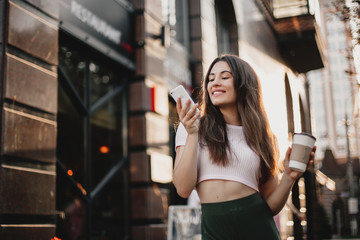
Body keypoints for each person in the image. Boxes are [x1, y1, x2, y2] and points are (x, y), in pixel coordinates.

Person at [172, 54, 316, 240]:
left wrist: (289, 177)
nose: (215, 83)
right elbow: (183, 189)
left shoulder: (264, 137)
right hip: (215, 232)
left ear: (243, 84)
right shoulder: (191, 126)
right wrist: (192, 133)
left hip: (259, 228)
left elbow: (270, 205)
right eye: (211, 78)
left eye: (225, 77)